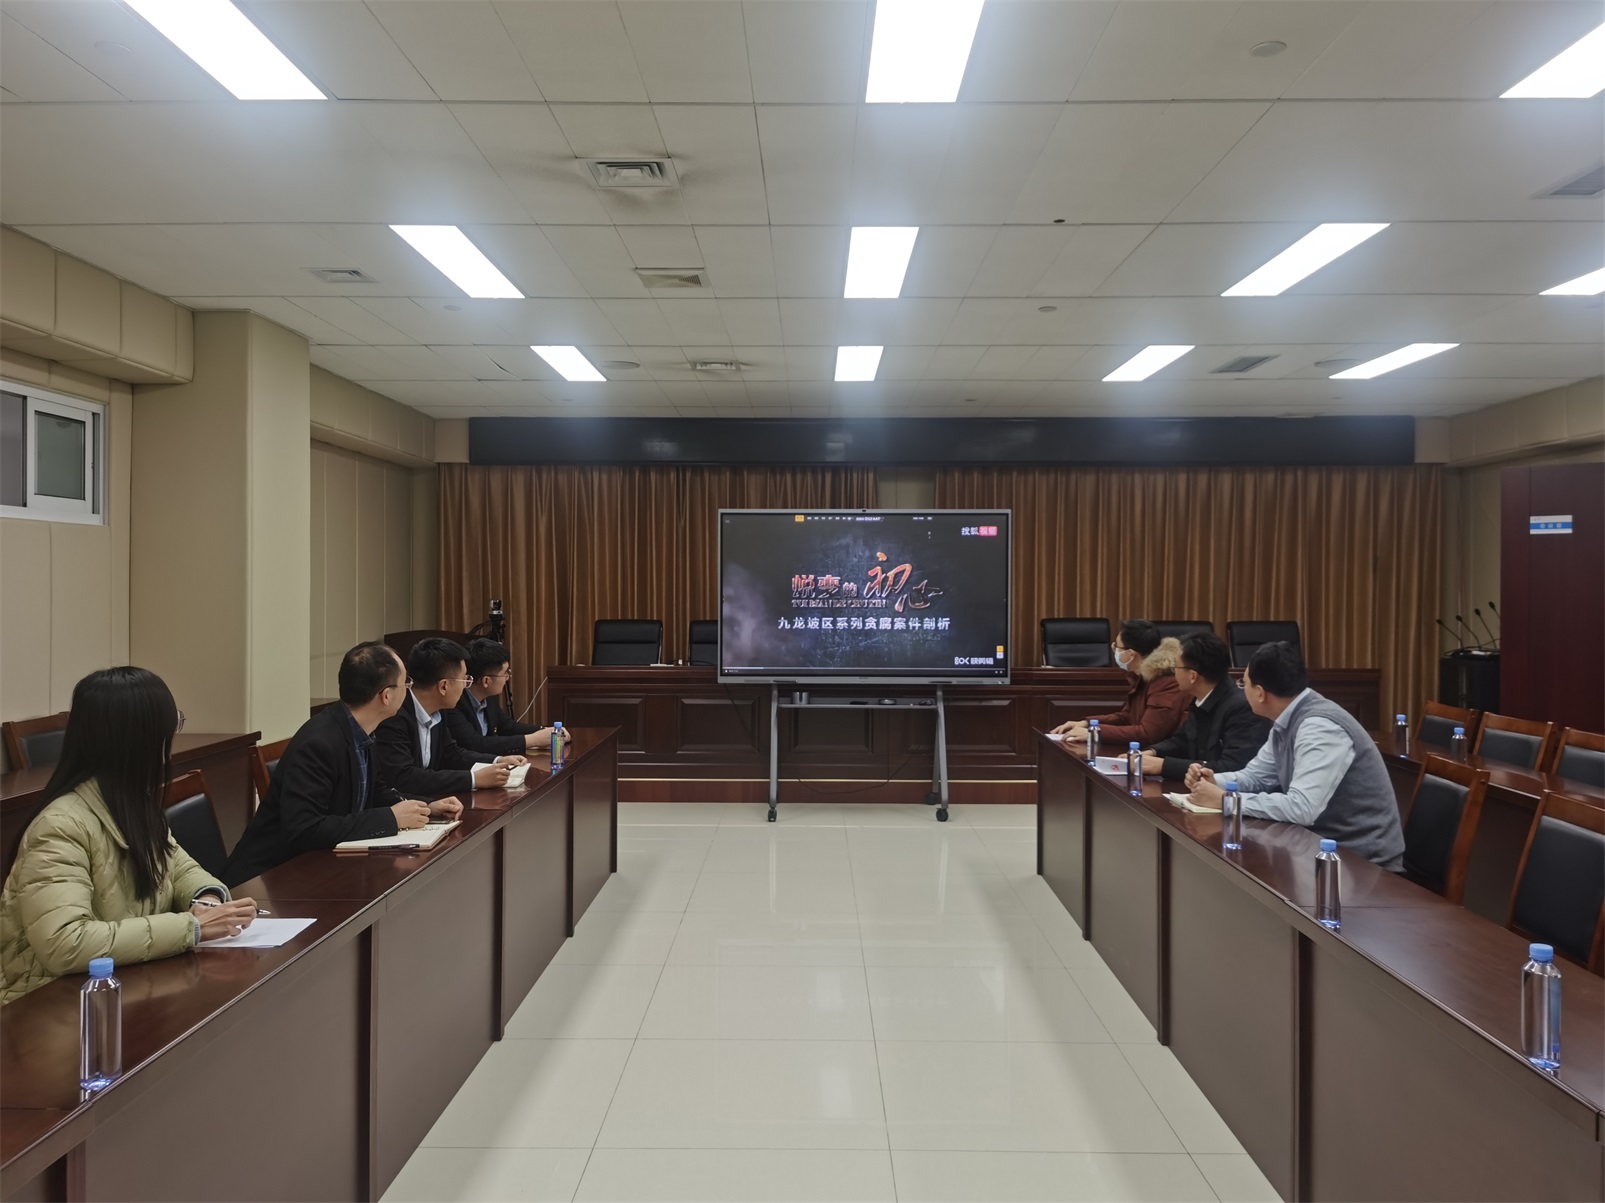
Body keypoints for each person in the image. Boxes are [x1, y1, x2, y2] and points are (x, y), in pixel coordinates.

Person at [0, 667, 260, 1003]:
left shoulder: (132, 802)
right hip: (45, 1002)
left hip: (118, 985)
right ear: (141, 740)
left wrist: (205, 900)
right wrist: (190, 928)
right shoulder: (59, 826)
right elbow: (65, 943)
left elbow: (179, 867)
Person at [222, 642, 461, 886]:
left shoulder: (362, 729)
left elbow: (375, 790)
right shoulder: (319, 743)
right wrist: (390, 818)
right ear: (386, 696)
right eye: (405, 684)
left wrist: (426, 807)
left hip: (318, 866)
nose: (408, 691)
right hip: (268, 879)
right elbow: (305, 828)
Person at [1187, 641, 1405, 870]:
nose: (1242, 690)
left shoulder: (1319, 727)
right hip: (1319, 847)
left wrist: (1228, 801)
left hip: (1362, 861)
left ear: (1260, 693)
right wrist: (1214, 781)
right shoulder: (1286, 718)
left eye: (1244, 683)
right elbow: (1256, 776)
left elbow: (1302, 808)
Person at [376, 637, 523, 800]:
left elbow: (451, 754)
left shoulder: (439, 710)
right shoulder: (395, 716)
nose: (466, 686)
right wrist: (473, 779)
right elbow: (404, 777)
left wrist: (497, 760)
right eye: (464, 680)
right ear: (443, 686)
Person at [1141, 631, 1270, 780]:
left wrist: (1164, 766)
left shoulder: (1242, 709)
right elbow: (1183, 740)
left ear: (1193, 676)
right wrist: (1152, 752)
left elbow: (1234, 767)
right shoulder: (1201, 699)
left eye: (1175, 666)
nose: (1173, 672)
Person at [1052, 620, 1189, 747]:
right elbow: (1126, 717)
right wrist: (1087, 724)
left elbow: (1147, 734)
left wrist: (1095, 732)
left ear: (1131, 654)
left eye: (1117, 647)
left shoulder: (1166, 682)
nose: (1114, 650)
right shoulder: (1142, 675)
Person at [442, 638, 559, 758]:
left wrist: (549, 731)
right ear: (486, 681)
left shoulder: (490, 697)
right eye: (505, 673)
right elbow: (475, 743)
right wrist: (531, 740)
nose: (507, 678)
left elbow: (508, 727)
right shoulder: (453, 701)